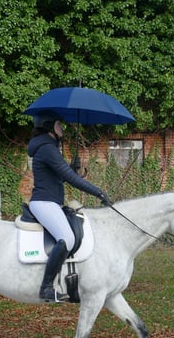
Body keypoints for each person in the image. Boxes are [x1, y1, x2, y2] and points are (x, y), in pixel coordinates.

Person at [27, 110, 111, 302]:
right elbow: (70, 179)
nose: (61, 128)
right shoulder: (47, 148)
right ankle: (46, 288)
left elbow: (58, 178)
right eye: (58, 124)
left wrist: (70, 170)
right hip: (44, 202)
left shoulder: (49, 147)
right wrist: (97, 192)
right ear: (49, 126)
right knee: (66, 238)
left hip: (50, 202)